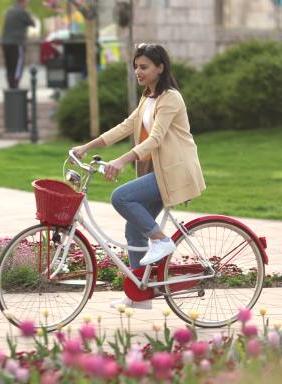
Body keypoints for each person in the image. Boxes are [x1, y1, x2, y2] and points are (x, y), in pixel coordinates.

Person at [71, 43, 206, 309]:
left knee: (121, 197)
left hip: (173, 172)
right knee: (133, 230)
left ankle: (161, 240)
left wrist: (122, 160)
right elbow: (125, 126)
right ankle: (139, 294)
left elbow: (155, 139)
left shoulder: (171, 98)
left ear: (160, 67)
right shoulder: (148, 98)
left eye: (144, 67)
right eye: (135, 67)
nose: (138, 71)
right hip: (156, 172)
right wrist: (87, 147)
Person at [1, 0, 35, 89]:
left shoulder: (9, 11)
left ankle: (11, 86)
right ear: (23, 2)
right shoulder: (22, 12)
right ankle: (15, 87)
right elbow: (33, 23)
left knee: (10, 66)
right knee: (18, 66)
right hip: (17, 43)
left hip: (6, 43)